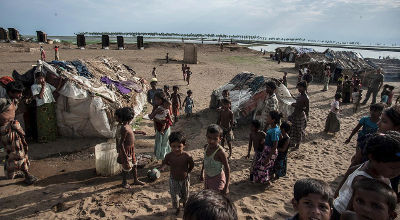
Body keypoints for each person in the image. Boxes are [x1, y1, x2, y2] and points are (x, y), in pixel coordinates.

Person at [332, 132, 400, 220]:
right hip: (340, 213)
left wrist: (337, 192)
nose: (397, 172)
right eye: (392, 168)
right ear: (373, 158)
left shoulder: (370, 167)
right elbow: (350, 211)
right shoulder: (362, 180)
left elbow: (351, 170)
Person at [1, 81, 37, 184]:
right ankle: (27, 174)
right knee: (18, 153)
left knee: (12, 153)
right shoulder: (3, 102)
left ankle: (11, 173)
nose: (20, 95)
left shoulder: (14, 101)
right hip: (6, 131)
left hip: (12, 129)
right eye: (18, 93)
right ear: (10, 92)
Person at [160, 131, 194, 215]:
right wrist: (164, 166)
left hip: (185, 179)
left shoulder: (187, 156)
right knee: (175, 196)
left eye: (179, 146)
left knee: (185, 195)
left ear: (184, 145)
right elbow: (164, 162)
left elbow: (192, 165)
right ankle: (178, 208)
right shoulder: (169, 156)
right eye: (173, 146)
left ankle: (185, 207)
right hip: (173, 179)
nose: (176, 149)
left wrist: (188, 171)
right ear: (170, 145)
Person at [115, 107, 146, 188]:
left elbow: (131, 132)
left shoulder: (127, 125)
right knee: (126, 167)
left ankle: (136, 180)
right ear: (129, 118)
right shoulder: (124, 128)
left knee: (134, 165)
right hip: (126, 150)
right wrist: (125, 156)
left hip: (131, 149)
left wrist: (139, 132)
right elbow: (121, 143)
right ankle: (124, 182)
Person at [31, 71, 62, 143]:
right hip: (42, 106)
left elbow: (55, 90)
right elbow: (40, 96)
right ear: (36, 79)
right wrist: (43, 87)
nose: (41, 80)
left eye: (42, 78)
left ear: (44, 78)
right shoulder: (34, 87)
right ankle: (44, 139)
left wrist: (60, 81)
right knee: (43, 122)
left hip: (50, 104)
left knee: (51, 121)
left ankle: (52, 137)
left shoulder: (47, 85)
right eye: (39, 79)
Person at [253, 110, 282, 185]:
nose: (267, 117)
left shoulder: (274, 131)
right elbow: (280, 137)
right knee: (264, 166)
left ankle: (266, 181)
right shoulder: (274, 129)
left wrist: (268, 157)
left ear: (273, 120)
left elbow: (275, 145)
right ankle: (265, 180)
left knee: (264, 166)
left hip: (270, 151)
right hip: (267, 150)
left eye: (269, 117)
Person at [200, 124, 230, 195]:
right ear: (206, 136)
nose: (211, 141)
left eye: (215, 139)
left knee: (216, 198)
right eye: (209, 138)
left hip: (217, 179)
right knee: (208, 196)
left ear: (220, 139)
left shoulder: (220, 152)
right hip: (207, 177)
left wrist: (226, 187)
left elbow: (227, 168)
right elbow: (205, 160)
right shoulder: (206, 147)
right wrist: (202, 172)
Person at [149, 92, 172, 160]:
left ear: (162, 100)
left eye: (158, 100)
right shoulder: (156, 107)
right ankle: (160, 157)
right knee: (159, 142)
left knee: (165, 142)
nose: (156, 101)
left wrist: (160, 120)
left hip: (165, 127)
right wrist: (156, 113)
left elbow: (168, 117)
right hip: (159, 127)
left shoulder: (167, 106)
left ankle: (164, 158)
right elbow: (151, 117)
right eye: (155, 99)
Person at [288, 81, 309, 149]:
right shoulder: (300, 95)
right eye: (298, 87)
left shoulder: (306, 98)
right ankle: (293, 143)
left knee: (299, 132)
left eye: (300, 87)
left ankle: (297, 145)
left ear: (305, 88)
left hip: (300, 116)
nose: (299, 88)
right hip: (295, 115)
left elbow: (306, 109)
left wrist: (296, 105)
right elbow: (297, 101)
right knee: (293, 130)